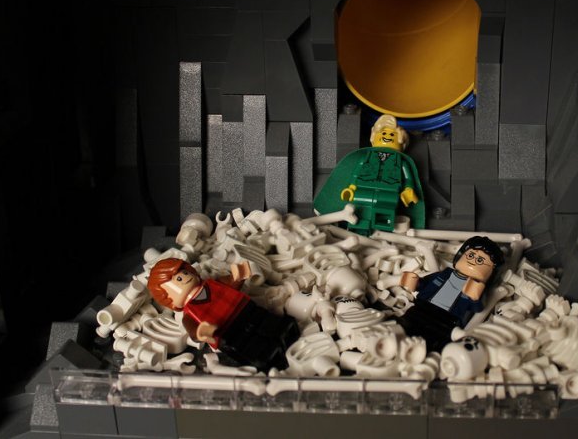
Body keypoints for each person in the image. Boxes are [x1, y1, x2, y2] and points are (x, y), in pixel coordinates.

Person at [147, 258, 299, 371]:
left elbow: (232, 282)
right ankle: (269, 358)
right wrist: (201, 333)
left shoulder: (213, 283)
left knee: (269, 323)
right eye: (178, 279)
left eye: (184, 273)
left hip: (247, 310)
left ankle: (285, 332)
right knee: (251, 347)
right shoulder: (188, 314)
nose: (185, 278)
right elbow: (193, 332)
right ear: (169, 299)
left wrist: (239, 275)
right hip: (228, 332)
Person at [313, 113, 425, 234]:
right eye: (383, 133)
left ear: (400, 139)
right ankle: (358, 231)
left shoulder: (401, 162)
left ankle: (381, 234)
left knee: (385, 216)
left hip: (388, 193)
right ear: (374, 136)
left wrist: (408, 189)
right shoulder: (366, 157)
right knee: (360, 212)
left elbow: (408, 178)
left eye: (392, 134)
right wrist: (352, 187)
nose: (387, 136)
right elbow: (356, 173)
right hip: (363, 189)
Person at [397, 236, 504, 352]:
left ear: (491, 273)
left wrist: (474, 299)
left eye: (480, 261)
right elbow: (427, 283)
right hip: (421, 308)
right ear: (460, 255)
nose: (473, 261)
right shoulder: (445, 274)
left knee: (435, 341)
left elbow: (478, 309)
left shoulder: (477, 288)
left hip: (446, 321)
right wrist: (416, 283)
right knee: (405, 323)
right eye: (470, 255)